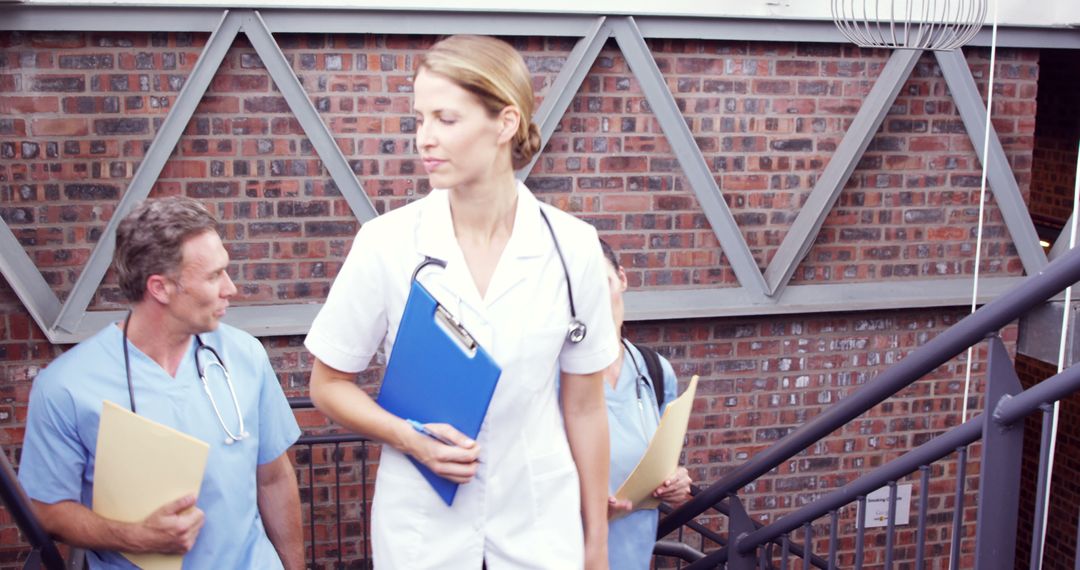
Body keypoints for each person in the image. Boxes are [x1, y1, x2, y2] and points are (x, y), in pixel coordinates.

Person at [304, 35, 619, 569]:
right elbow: (327, 385)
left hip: (540, 527)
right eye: (418, 119)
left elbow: (586, 408)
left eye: (445, 120)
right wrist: (412, 439)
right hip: (423, 531)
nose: (424, 139)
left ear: (505, 122)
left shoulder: (573, 247)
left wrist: (595, 544)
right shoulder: (387, 243)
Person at [18, 196, 304, 569]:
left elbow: (274, 479)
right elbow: (46, 510)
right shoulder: (66, 388)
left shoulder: (246, 356)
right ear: (160, 288)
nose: (230, 288)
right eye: (214, 275)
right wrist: (135, 537)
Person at [599, 239, 693, 570]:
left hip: (634, 555)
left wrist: (677, 481)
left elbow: (664, 462)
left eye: (603, 283)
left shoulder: (655, 371)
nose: (595, 299)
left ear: (622, 279)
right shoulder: (558, 376)